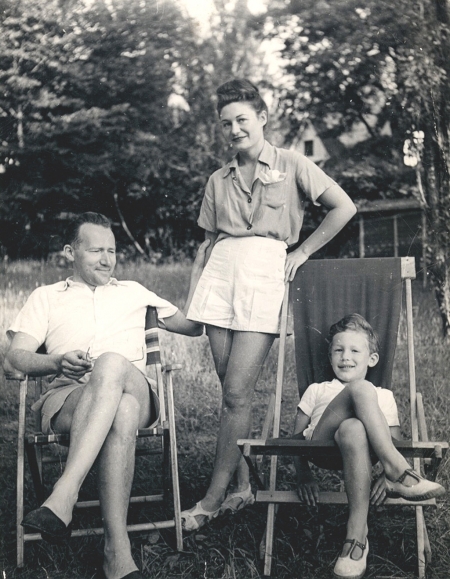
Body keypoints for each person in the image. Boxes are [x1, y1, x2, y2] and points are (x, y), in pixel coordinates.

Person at [181, 78, 357, 531]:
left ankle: (212, 498)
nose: (234, 129)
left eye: (242, 119)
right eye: (226, 123)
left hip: (263, 271)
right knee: (228, 391)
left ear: (262, 117)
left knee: (237, 393)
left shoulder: (292, 162)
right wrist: (196, 295)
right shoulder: (217, 179)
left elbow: (343, 207)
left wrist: (300, 252)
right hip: (221, 271)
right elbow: (207, 242)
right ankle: (242, 485)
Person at [3, 212, 209, 579]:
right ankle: (117, 552)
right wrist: (55, 360)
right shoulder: (46, 297)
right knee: (122, 411)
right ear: (70, 252)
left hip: (134, 384)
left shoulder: (135, 292)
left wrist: (200, 268)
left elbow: (194, 327)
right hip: (69, 397)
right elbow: (14, 359)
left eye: (111, 251)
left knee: (112, 364)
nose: (106, 259)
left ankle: (65, 492)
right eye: (96, 250)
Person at [293, 313, 445, 579]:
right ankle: (398, 472)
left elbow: (393, 440)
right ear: (330, 357)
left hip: (360, 452)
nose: (345, 357)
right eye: (338, 350)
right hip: (320, 446)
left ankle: (356, 539)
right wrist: (304, 474)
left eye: (354, 350)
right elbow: (295, 439)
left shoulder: (384, 397)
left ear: (371, 359)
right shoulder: (317, 389)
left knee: (353, 427)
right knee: (361, 388)